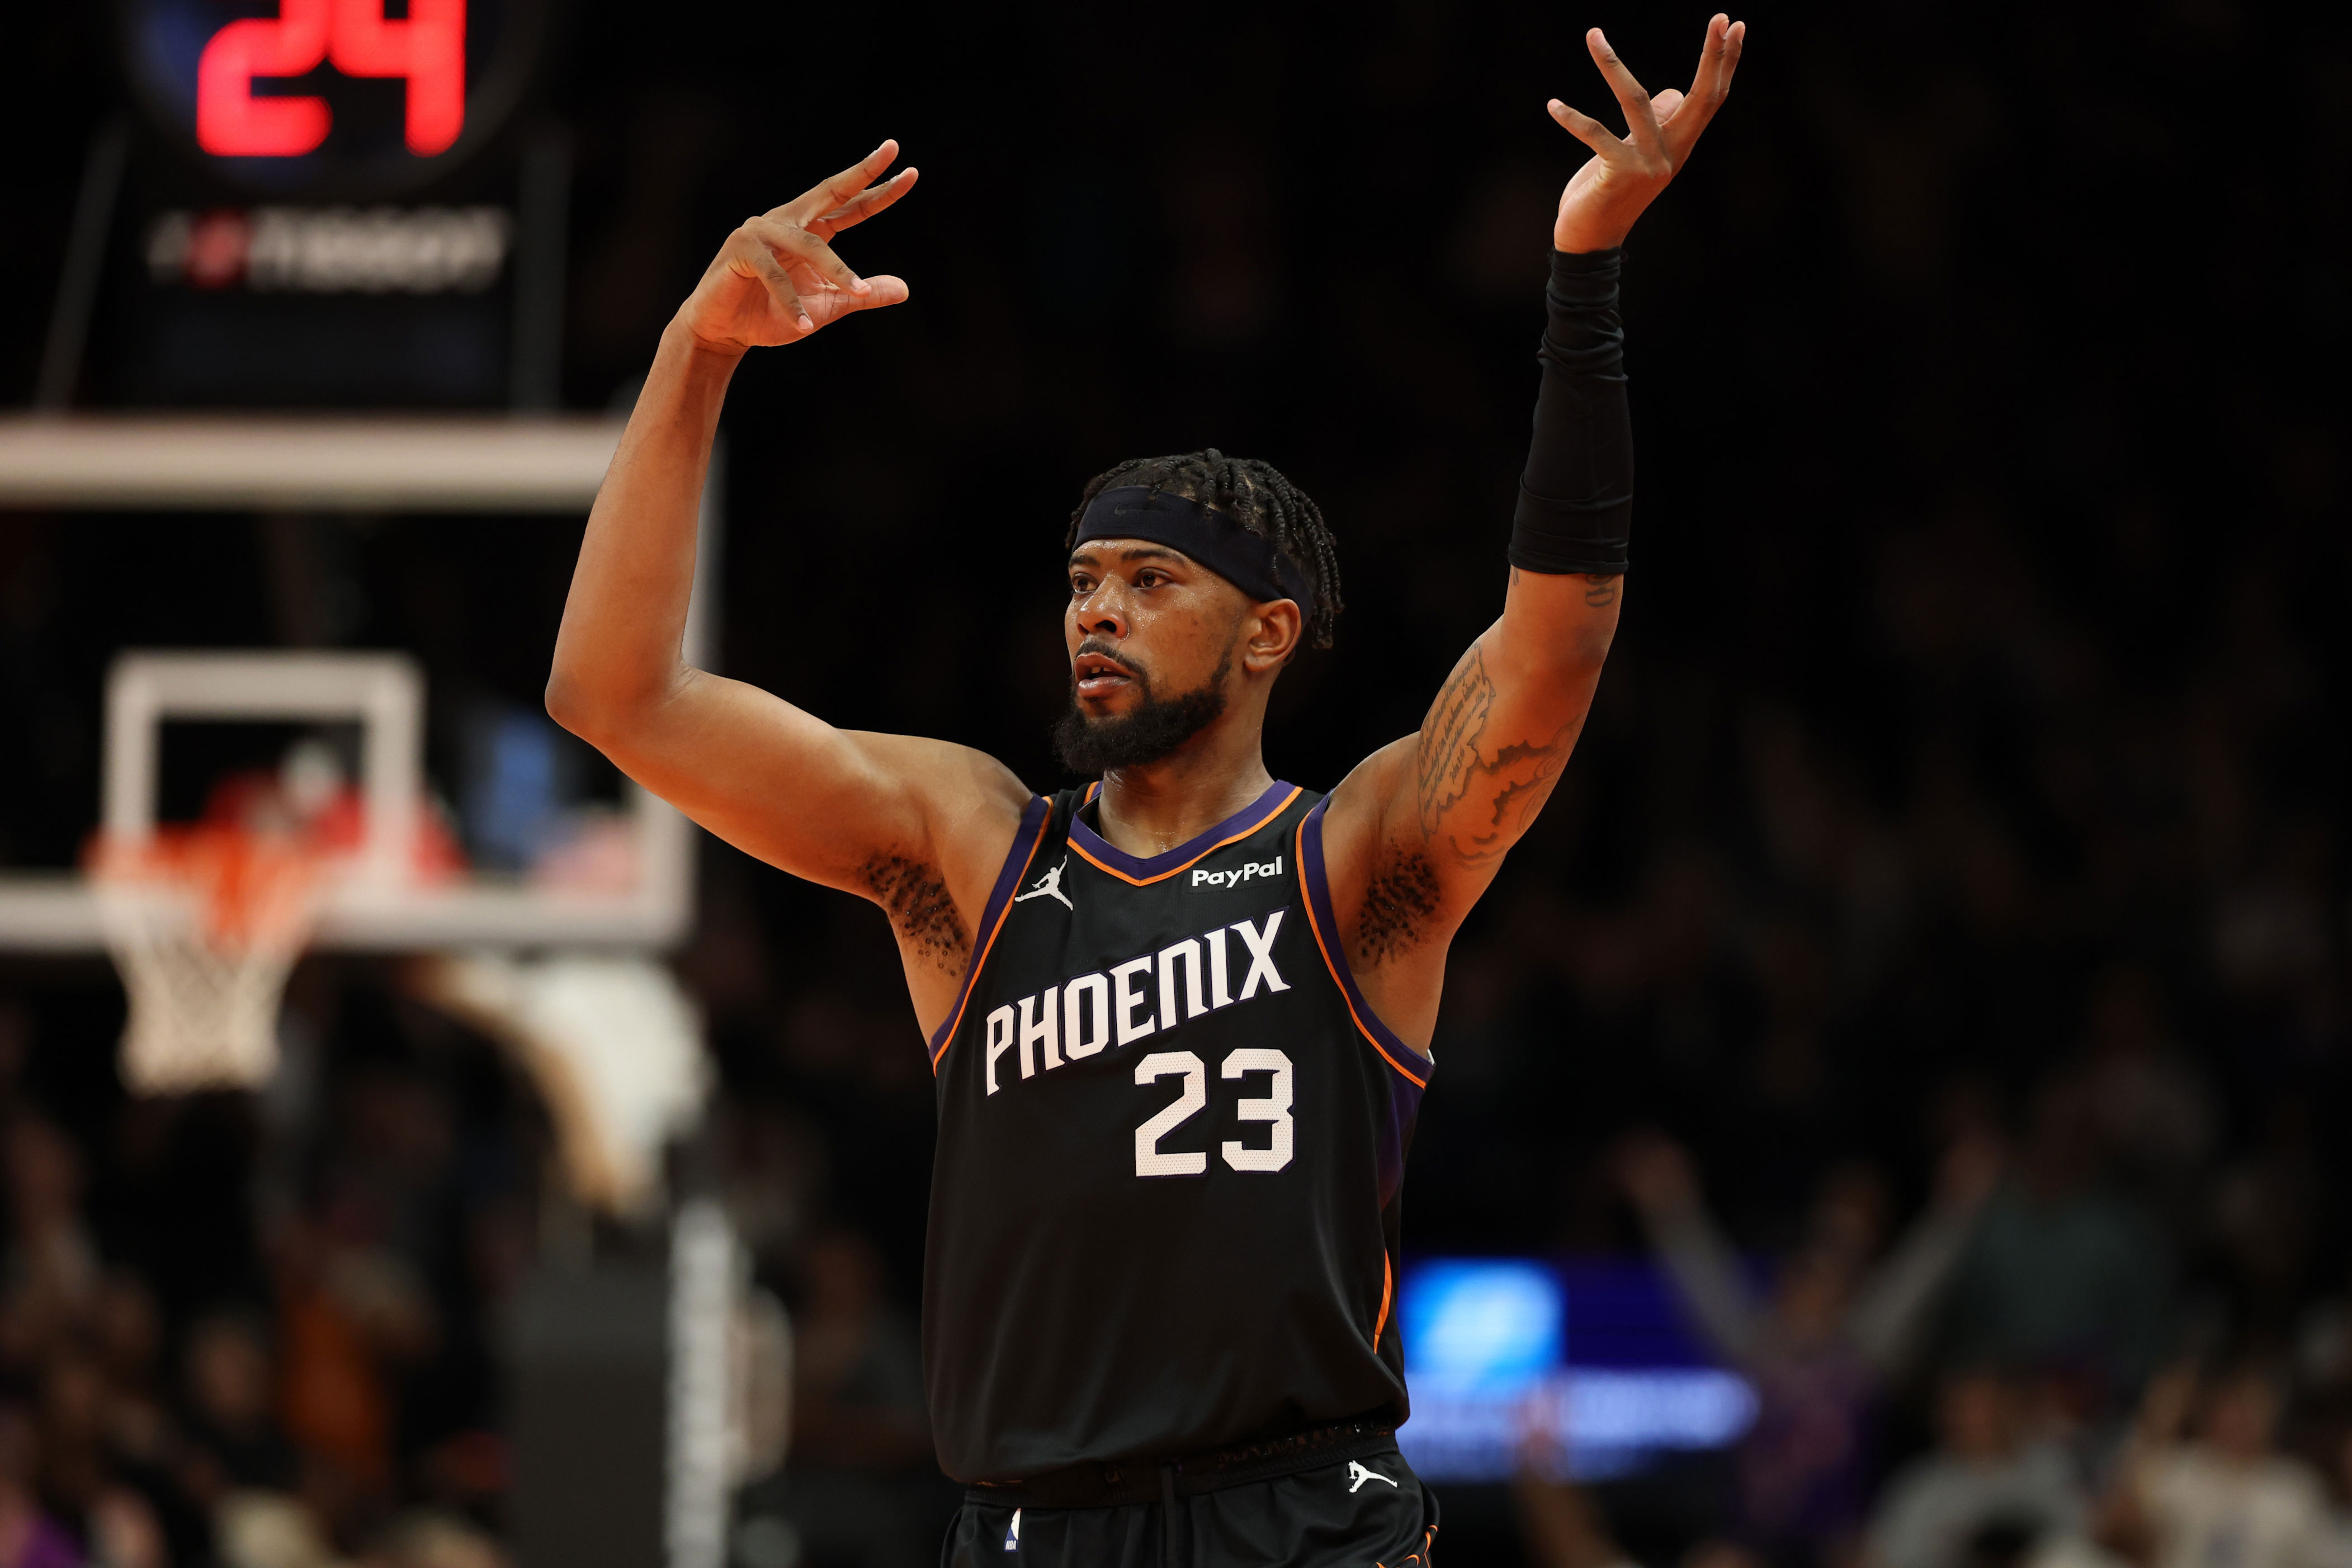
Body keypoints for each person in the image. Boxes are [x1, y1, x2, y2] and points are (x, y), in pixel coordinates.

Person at [546, 17, 1747, 1565]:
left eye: (1149, 579)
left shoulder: (1352, 859)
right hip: (1033, 1524)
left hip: (1302, 1512)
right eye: (1082, 580)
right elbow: (615, 694)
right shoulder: (969, 850)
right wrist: (696, 351)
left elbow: (1553, 647)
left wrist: (1582, 278)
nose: (1095, 611)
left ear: (1267, 634)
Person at [1616, 1132, 1999, 1568]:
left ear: (1845, 1298)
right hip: (1755, 1540)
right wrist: (1669, 1207)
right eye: (1803, 1285)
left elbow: (1914, 1286)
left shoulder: (1861, 1357)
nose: (1813, 1300)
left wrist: (1957, 1210)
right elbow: (1706, 1289)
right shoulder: (1760, 1351)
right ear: (1783, 1291)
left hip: (1839, 1543)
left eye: (1827, 1289)